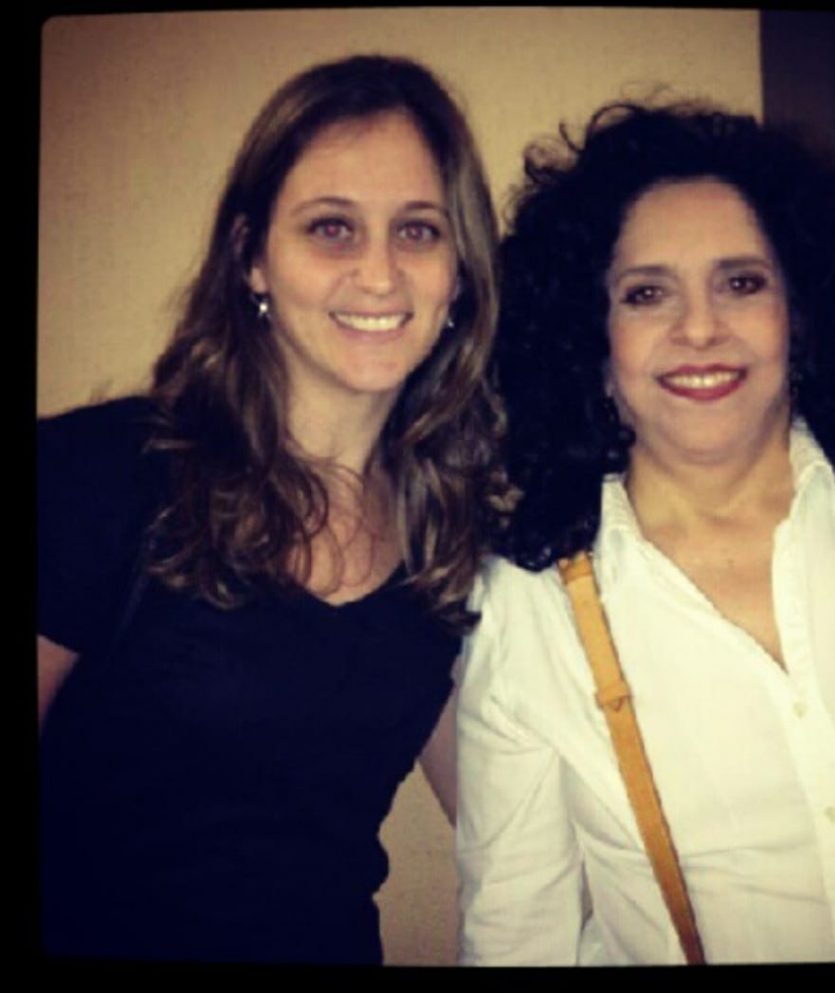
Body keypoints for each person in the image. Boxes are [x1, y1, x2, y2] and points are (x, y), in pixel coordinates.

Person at [456, 100, 835, 964]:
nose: (699, 328)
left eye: (741, 283)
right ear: (593, 341)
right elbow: (517, 932)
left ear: (801, 316)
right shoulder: (527, 603)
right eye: (646, 293)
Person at [38, 55, 506, 964]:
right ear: (252, 257)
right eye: (332, 228)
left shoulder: (450, 541)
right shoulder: (98, 475)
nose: (380, 273)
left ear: (459, 274)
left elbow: (498, 817)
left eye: (418, 230)